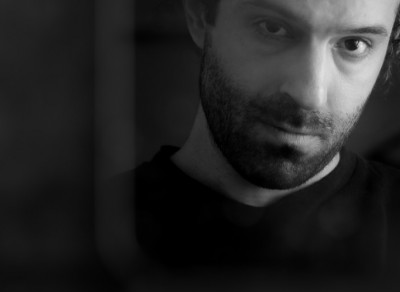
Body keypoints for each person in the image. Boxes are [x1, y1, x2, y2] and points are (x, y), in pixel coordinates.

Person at [133, 0, 400, 275]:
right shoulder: (108, 225)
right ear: (200, 16)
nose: (309, 96)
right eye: (272, 28)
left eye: (353, 44)